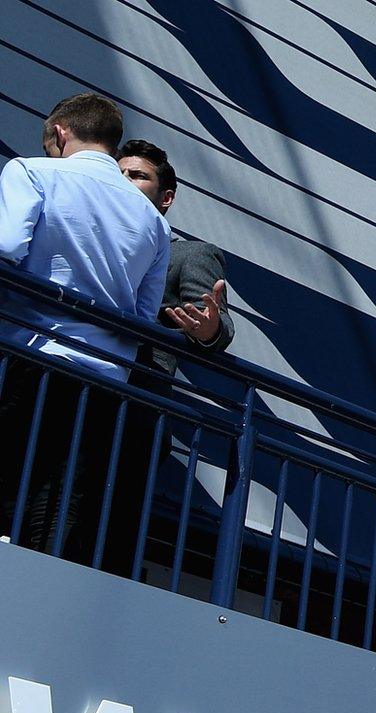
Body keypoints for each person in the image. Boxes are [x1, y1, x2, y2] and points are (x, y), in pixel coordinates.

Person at [1, 94, 171, 564]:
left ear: (59, 133)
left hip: (32, 357)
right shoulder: (154, 223)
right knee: (57, 504)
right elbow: (143, 316)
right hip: (105, 381)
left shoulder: (32, 172)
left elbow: (8, 245)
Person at [114, 140, 232, 376]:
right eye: (118, 173)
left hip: (133, 390)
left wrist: (209, 329)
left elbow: (215, 323)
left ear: (166, 198)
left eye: (137, 175)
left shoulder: (190, 254)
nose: (123, 180)